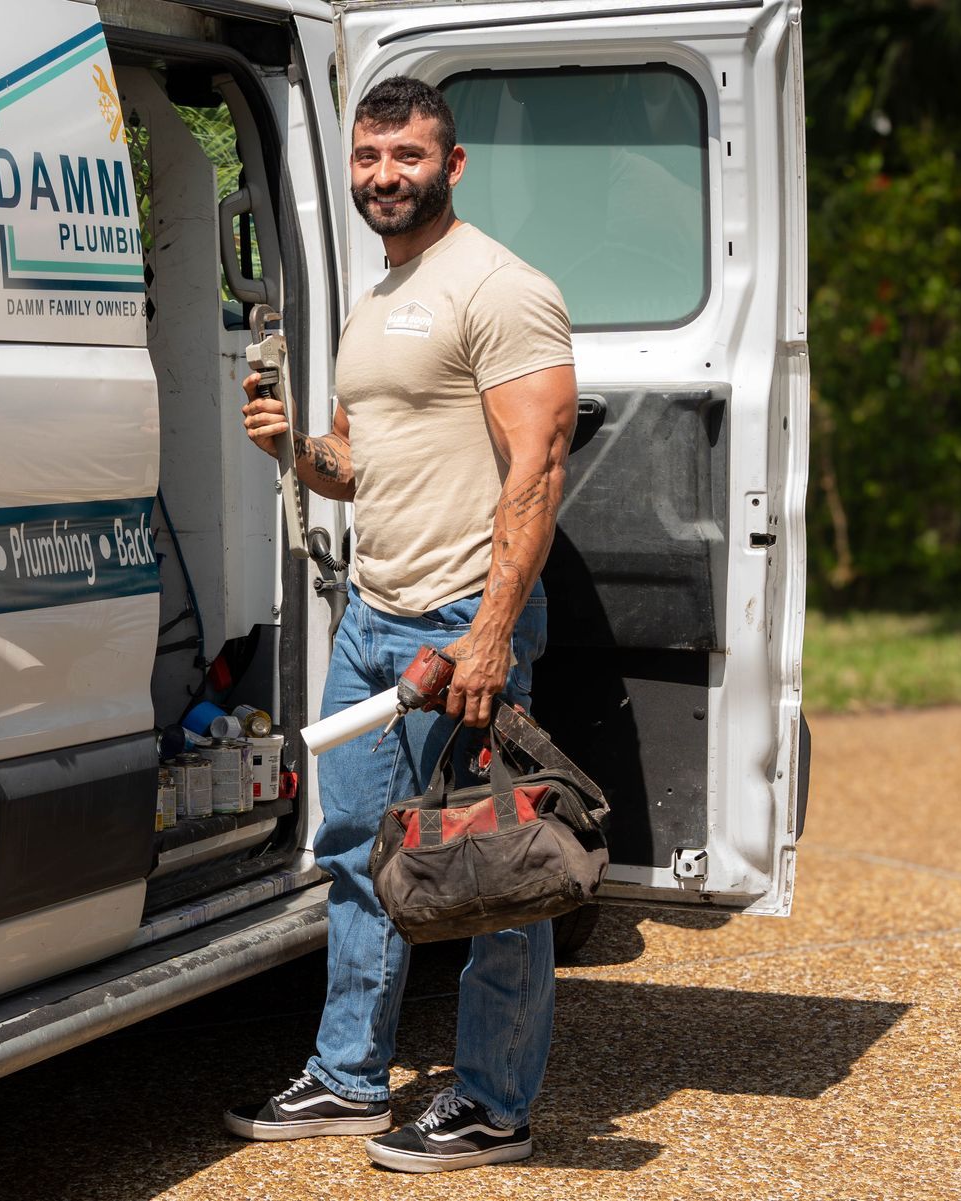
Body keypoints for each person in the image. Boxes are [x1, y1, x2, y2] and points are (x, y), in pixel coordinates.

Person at [222, 76, 577, 1173]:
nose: (386, 175)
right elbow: (352, 469)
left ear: (452, 163)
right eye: (370, 157)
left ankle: (491, 1104)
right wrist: (291, 449)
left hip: (465, 620)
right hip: (372, 620)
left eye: (408, 156)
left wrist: (491, 637)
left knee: (491, 871)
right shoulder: (372, 306)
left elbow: (540, 464)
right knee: (356, 854)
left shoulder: (501, 289)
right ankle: (348, 1078)